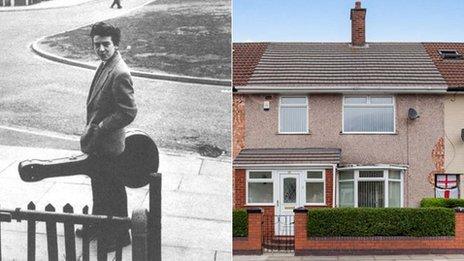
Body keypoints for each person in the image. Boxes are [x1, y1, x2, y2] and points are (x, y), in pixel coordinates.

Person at [77, 21, 137, 252]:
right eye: (97, 45)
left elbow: (129, 112)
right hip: (98, 141)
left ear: (116, 45)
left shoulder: (120, 72)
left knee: (113, 188)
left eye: (106, 45)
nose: (101, 49)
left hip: (109, 143)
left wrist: (102, 126)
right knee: (99, 185)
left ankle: (121, 236)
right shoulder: (105, 64)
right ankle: (97, 225)